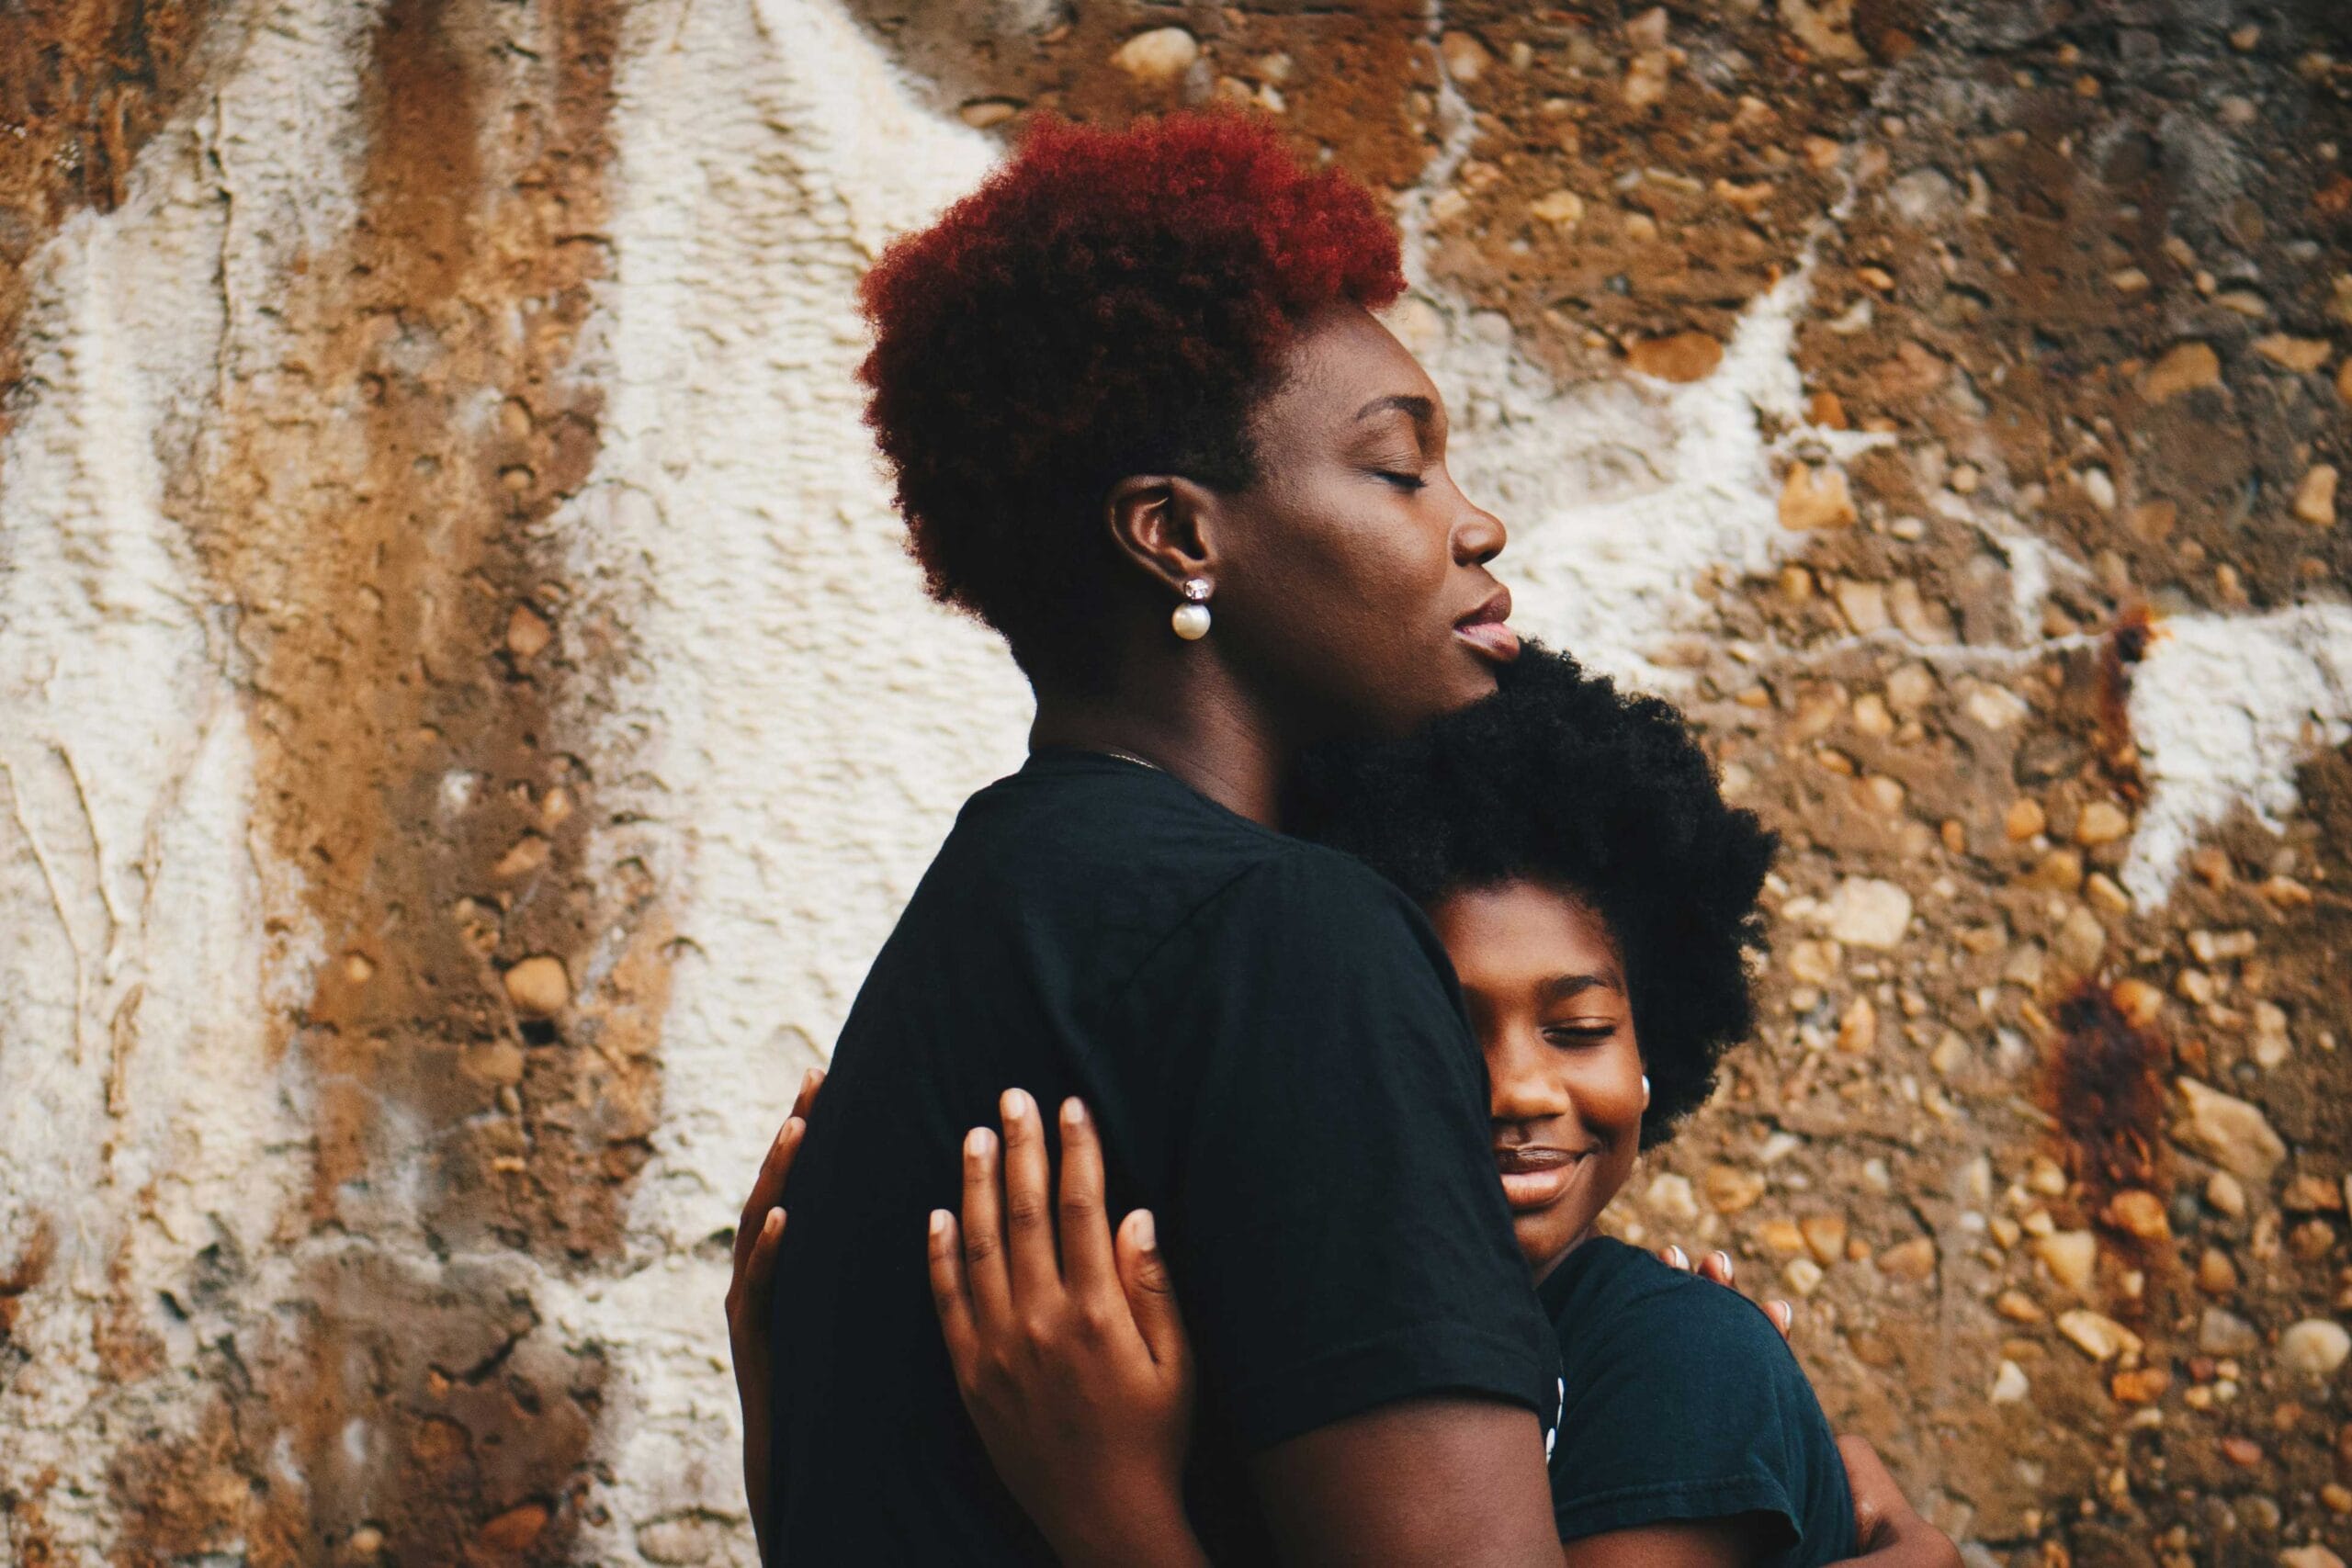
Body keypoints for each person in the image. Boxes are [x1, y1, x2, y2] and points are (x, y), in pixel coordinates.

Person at [744, 108, 1957, 1568]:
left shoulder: (969, 932)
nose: (1477, 522)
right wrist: (1117, 1512)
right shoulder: (1292, 937)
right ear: (1178, 536)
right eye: (1400, 469)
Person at [916, 647, 1866, 1568]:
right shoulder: (1302, 1342)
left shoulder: (1677, 1356)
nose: (1520, 1090)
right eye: (1442, 1032)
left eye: (1578, 1029)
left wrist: (1110, 1510)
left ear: (1653, 1050)